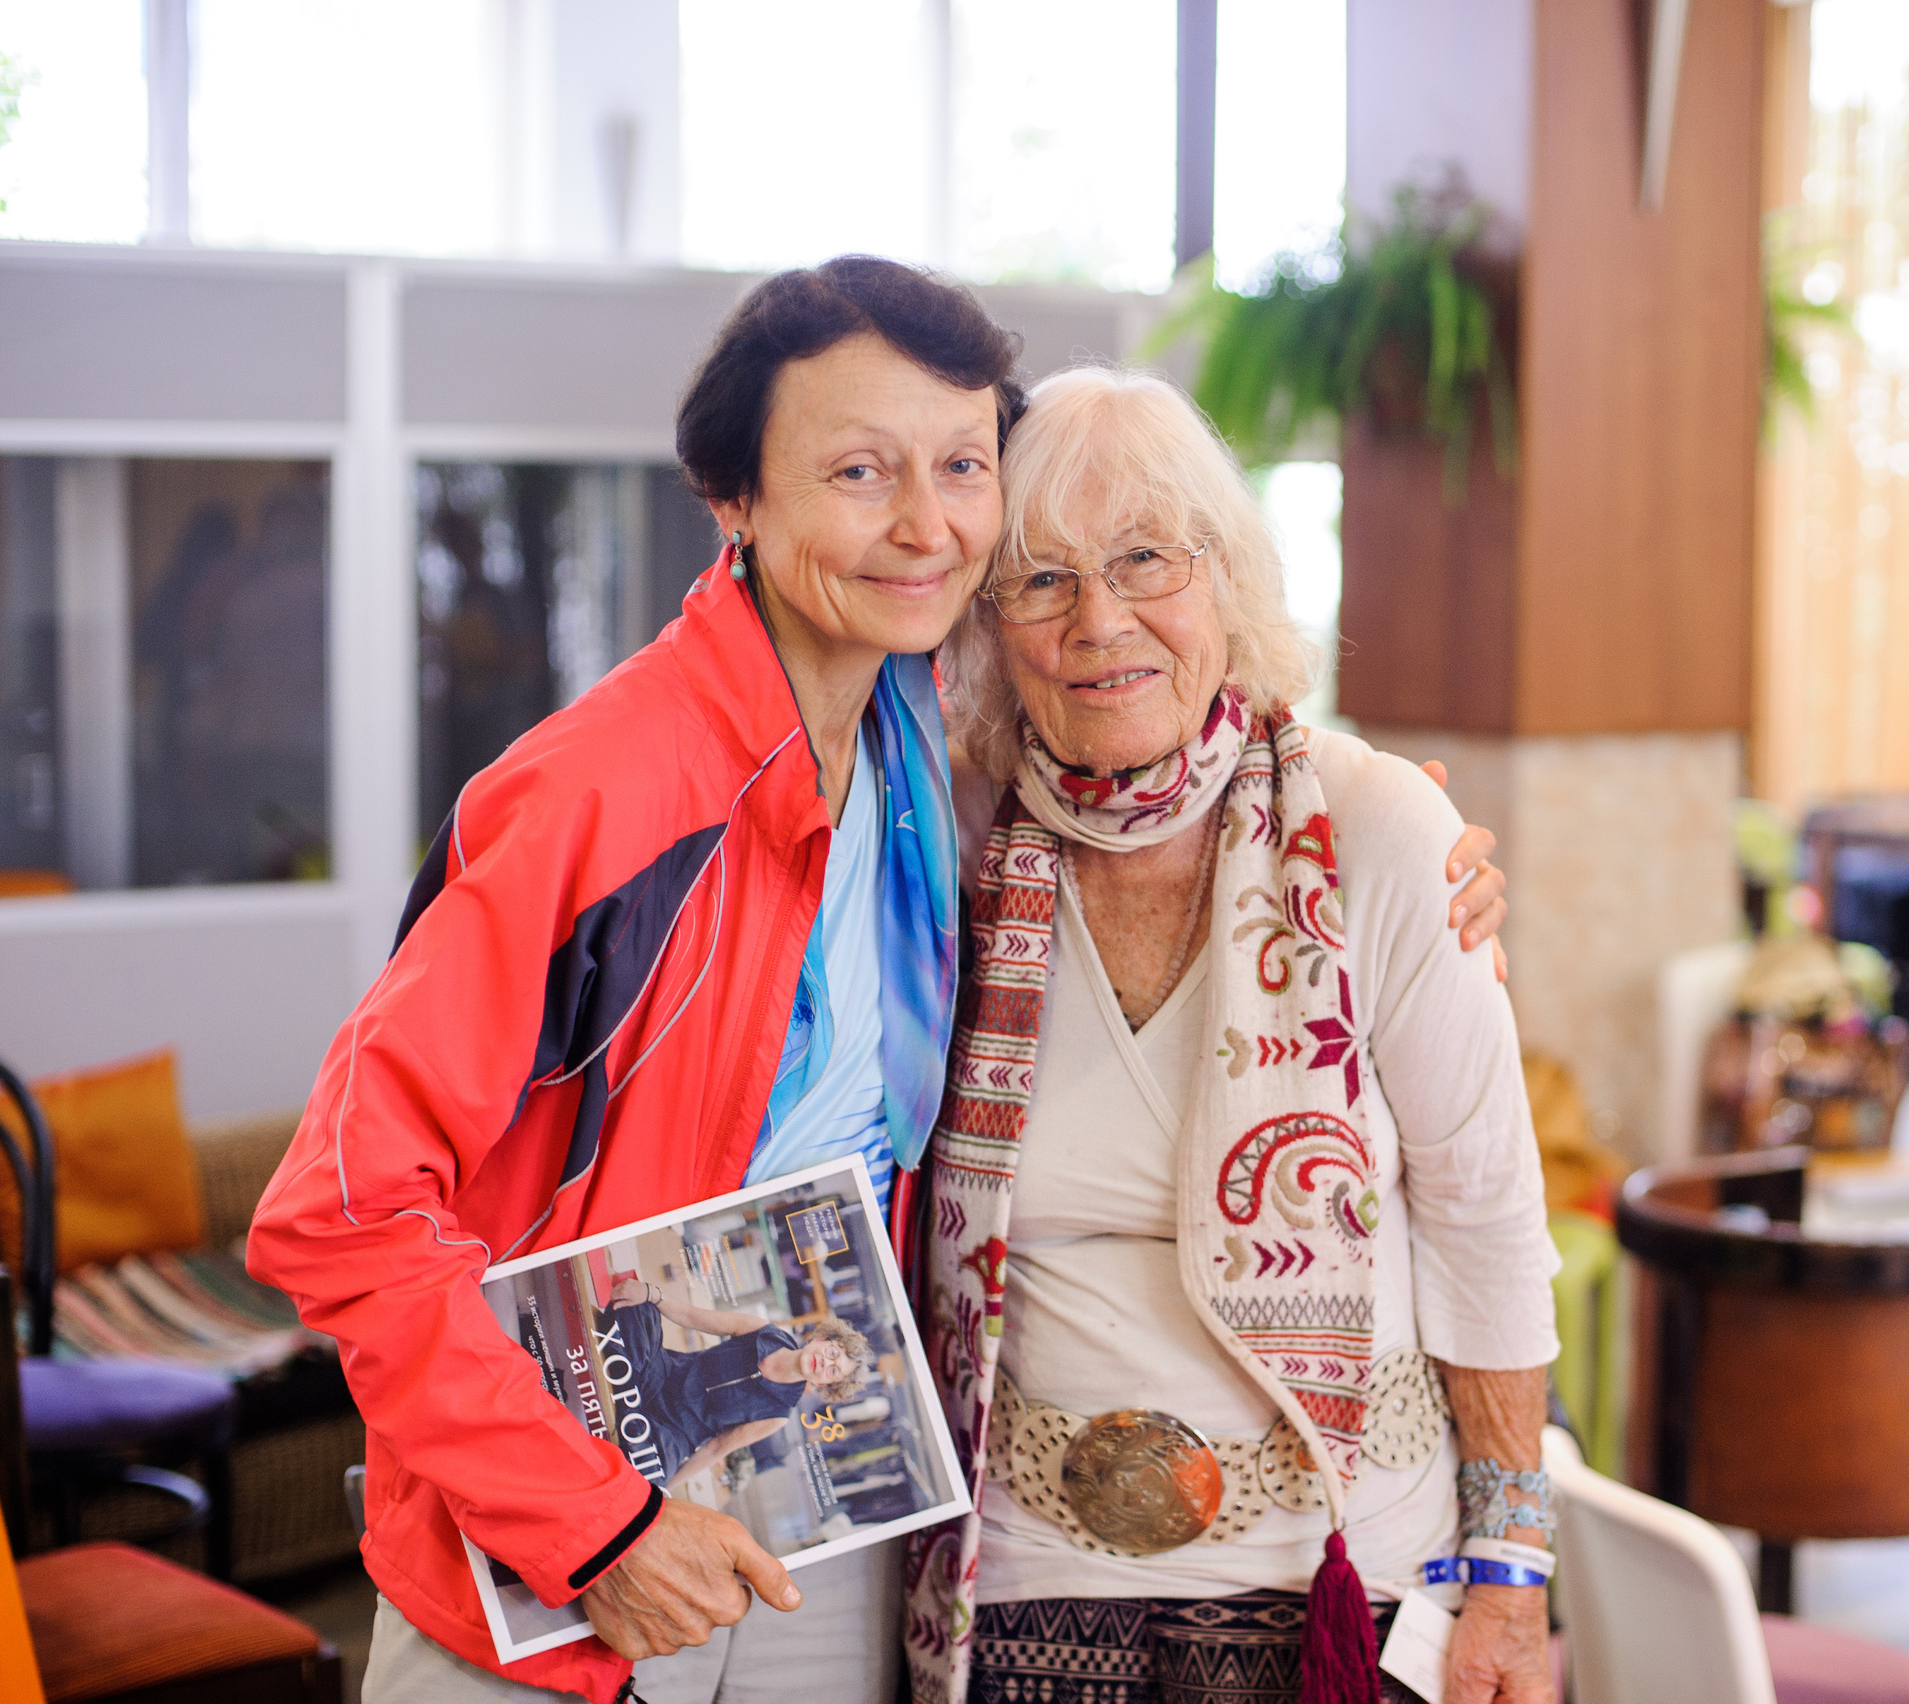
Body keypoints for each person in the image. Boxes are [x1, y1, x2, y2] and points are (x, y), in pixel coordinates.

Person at [245, 257, 1512, 1704]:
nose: (927, 525)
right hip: (568, 1549)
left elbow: (1174, 730)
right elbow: (338, 1217)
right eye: (860, 471)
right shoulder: (597, 794)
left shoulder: (935, 749)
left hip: (835, 1529)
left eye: (963, 466)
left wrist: (1395, 839)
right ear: (735, 497)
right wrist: (591, 1526)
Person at [909, 366, 1561, 1704]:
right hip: (1028, 1590)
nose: (1103, 621)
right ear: (988, 624)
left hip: (1347, 1576)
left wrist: (1512, 1580)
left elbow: (1485, 1217)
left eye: (1147, 558)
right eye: (1041, 579)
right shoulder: (950, 851)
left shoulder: (1375, 831)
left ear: (1226, 577)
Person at [598, 1281, 869, 1480]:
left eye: (833, 1371)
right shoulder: (764, 1331)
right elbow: (693, 1318)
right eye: (832, 1353)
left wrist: (666, 1488)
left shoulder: (778, 1415)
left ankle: (627, 1396)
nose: (825, 1362)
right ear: (821, 1339)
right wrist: (651, 1292)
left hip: (673, 1432)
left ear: (823, 1385)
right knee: (639, 1309)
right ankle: (630, 1409)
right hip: (662, 1374)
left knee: (647, 1477)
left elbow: (716, 1448)